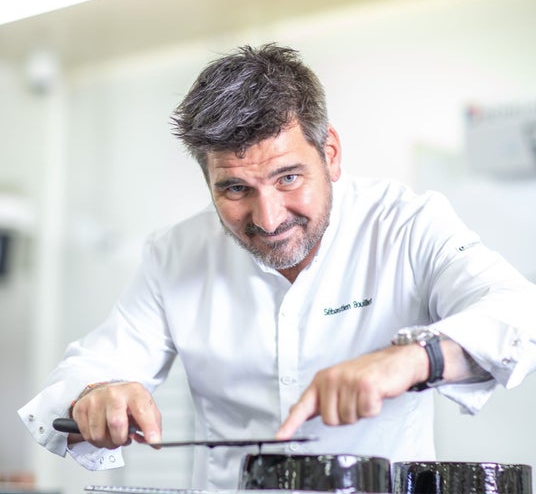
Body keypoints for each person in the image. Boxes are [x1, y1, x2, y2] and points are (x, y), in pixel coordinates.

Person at [19, 44, 536, 489]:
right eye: (235, 188)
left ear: (330, 153)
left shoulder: (405, 225)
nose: (268, 219)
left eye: (288, 178)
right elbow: (89, 369)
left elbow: (519, 311)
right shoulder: (174, 255)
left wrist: (412, 358)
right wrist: (97, 395)